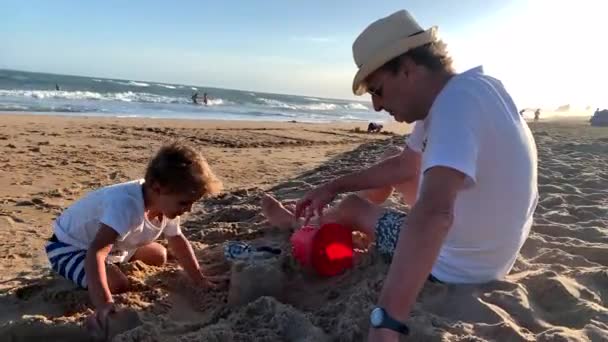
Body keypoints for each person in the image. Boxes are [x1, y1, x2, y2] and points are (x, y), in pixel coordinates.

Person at [264, 10, 538, 342]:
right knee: (394, 169)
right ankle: (349, 228)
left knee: (352, 205)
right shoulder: (472, 89)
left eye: (378, 90)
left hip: (454, 267)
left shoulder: (454, 105)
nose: (377, 107)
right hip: (492, 257)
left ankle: (309, 226)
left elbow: (436, 213)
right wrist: (332, 185)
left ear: (407, 69)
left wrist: (387, 322)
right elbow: (405, 166)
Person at [44, 141, 223, 335]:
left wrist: (199, 278)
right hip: (71, 247)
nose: (188, 209)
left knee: (159, 255)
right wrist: (104, 303)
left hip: (115, 247)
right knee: (118, 283)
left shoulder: (163, 203)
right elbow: (96, 251)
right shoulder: (125, 205)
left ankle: (110, 266)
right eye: (184, 202)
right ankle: (87, 273)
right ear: (157, 187)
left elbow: (177, 240)